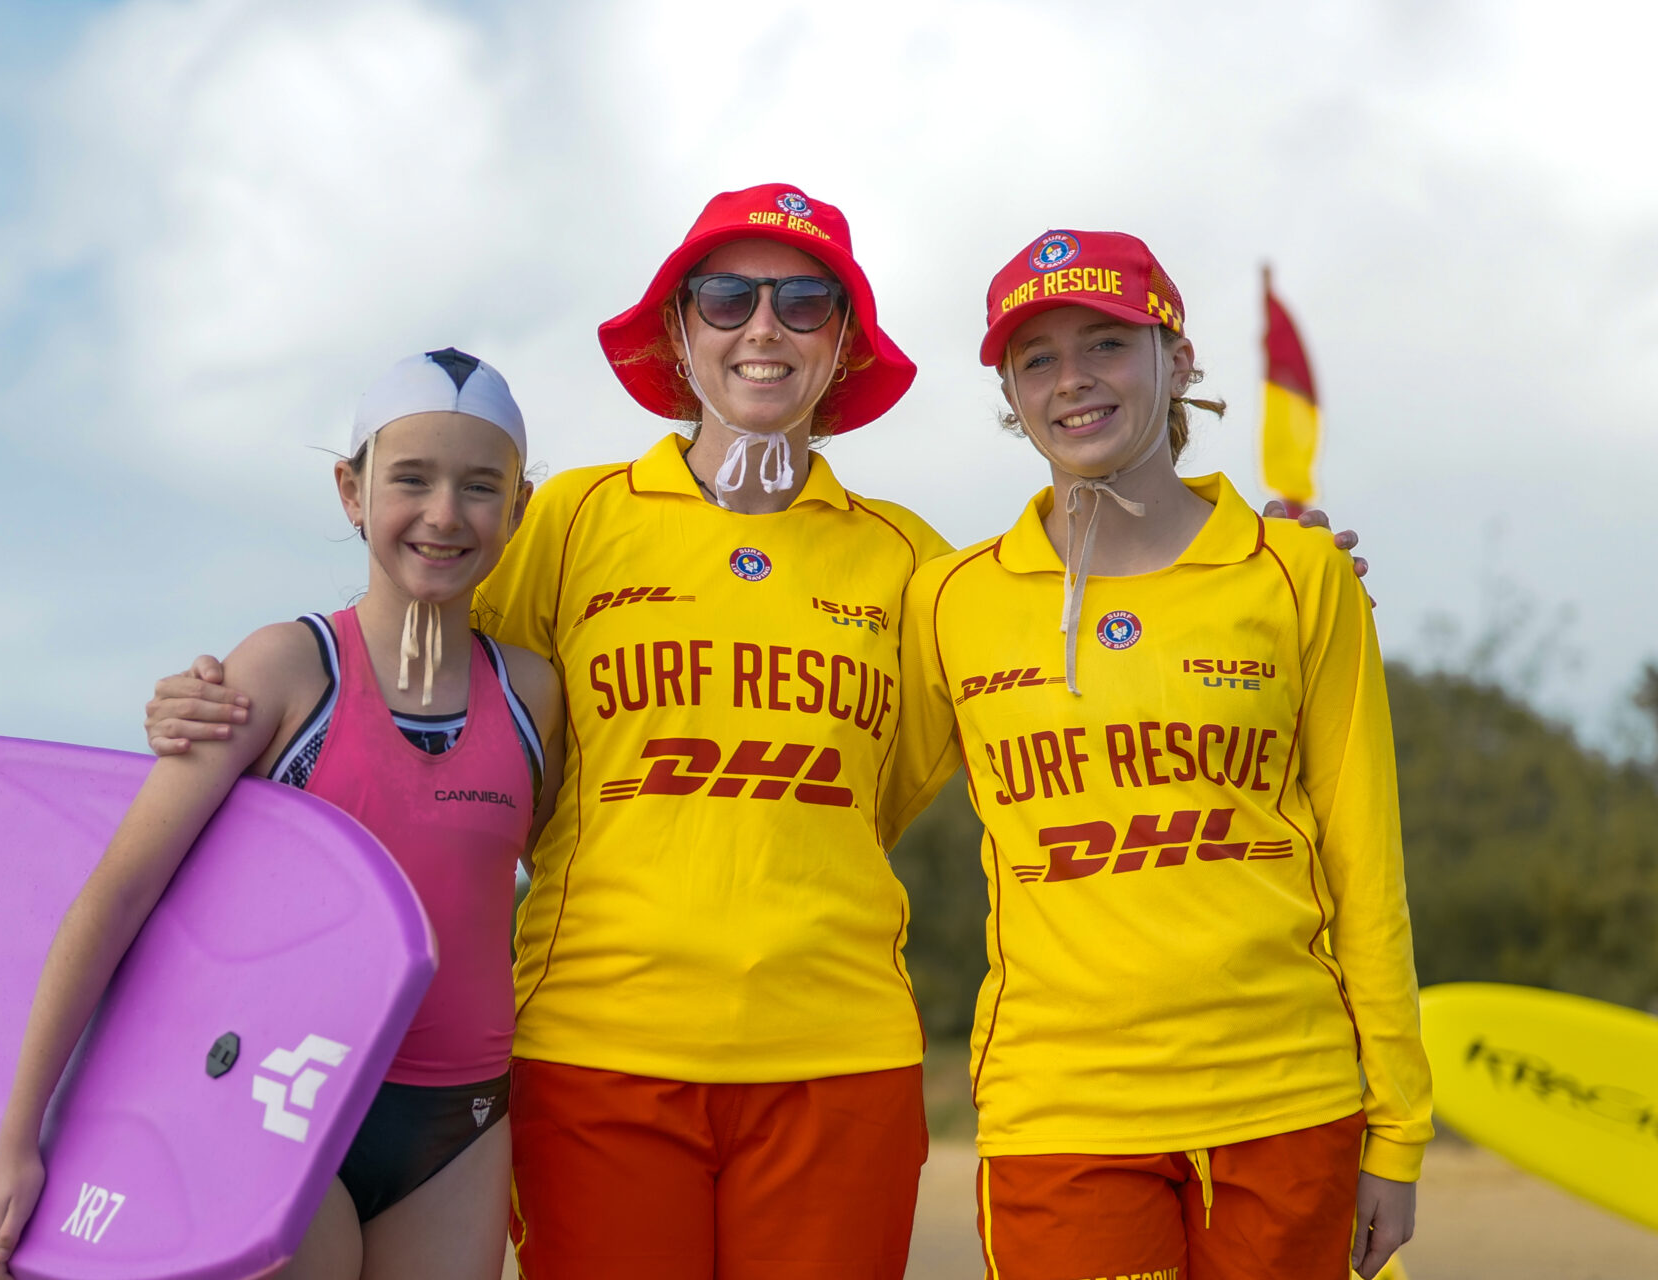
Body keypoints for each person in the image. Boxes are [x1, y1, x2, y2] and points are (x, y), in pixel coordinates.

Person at [144, 190, 1371, 1280]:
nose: (762, 328)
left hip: (842, 1057)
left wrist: (1264, 558)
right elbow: (421, 679)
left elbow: (1083, 659)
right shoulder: (573, 521)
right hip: (598, 1047)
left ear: (844, 343)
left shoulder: (913, 566)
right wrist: (217, 702)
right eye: (727, 297)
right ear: (680, 331)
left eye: (803, 301)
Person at [888, 231, 1429, 1280]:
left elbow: (1369, 868)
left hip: (1288, 1096)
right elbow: (844, 812)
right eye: (1036, 358)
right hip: (1062, 1111)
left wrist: (1399, 1129)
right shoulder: (952, 598)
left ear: (1177, 360)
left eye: (1105, 342)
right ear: (1008, 389)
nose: (1073, 379)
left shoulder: (1297, 573)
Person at [0, 349, 562, 1280]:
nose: (445, 514)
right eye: (411, 479)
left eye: (481, 487)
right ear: (351, 492)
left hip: (462, 1121)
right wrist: (18, 1140)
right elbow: (116, 896)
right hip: (274, 1099)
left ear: (519, 510)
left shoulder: (534, 695)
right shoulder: (287, 669)